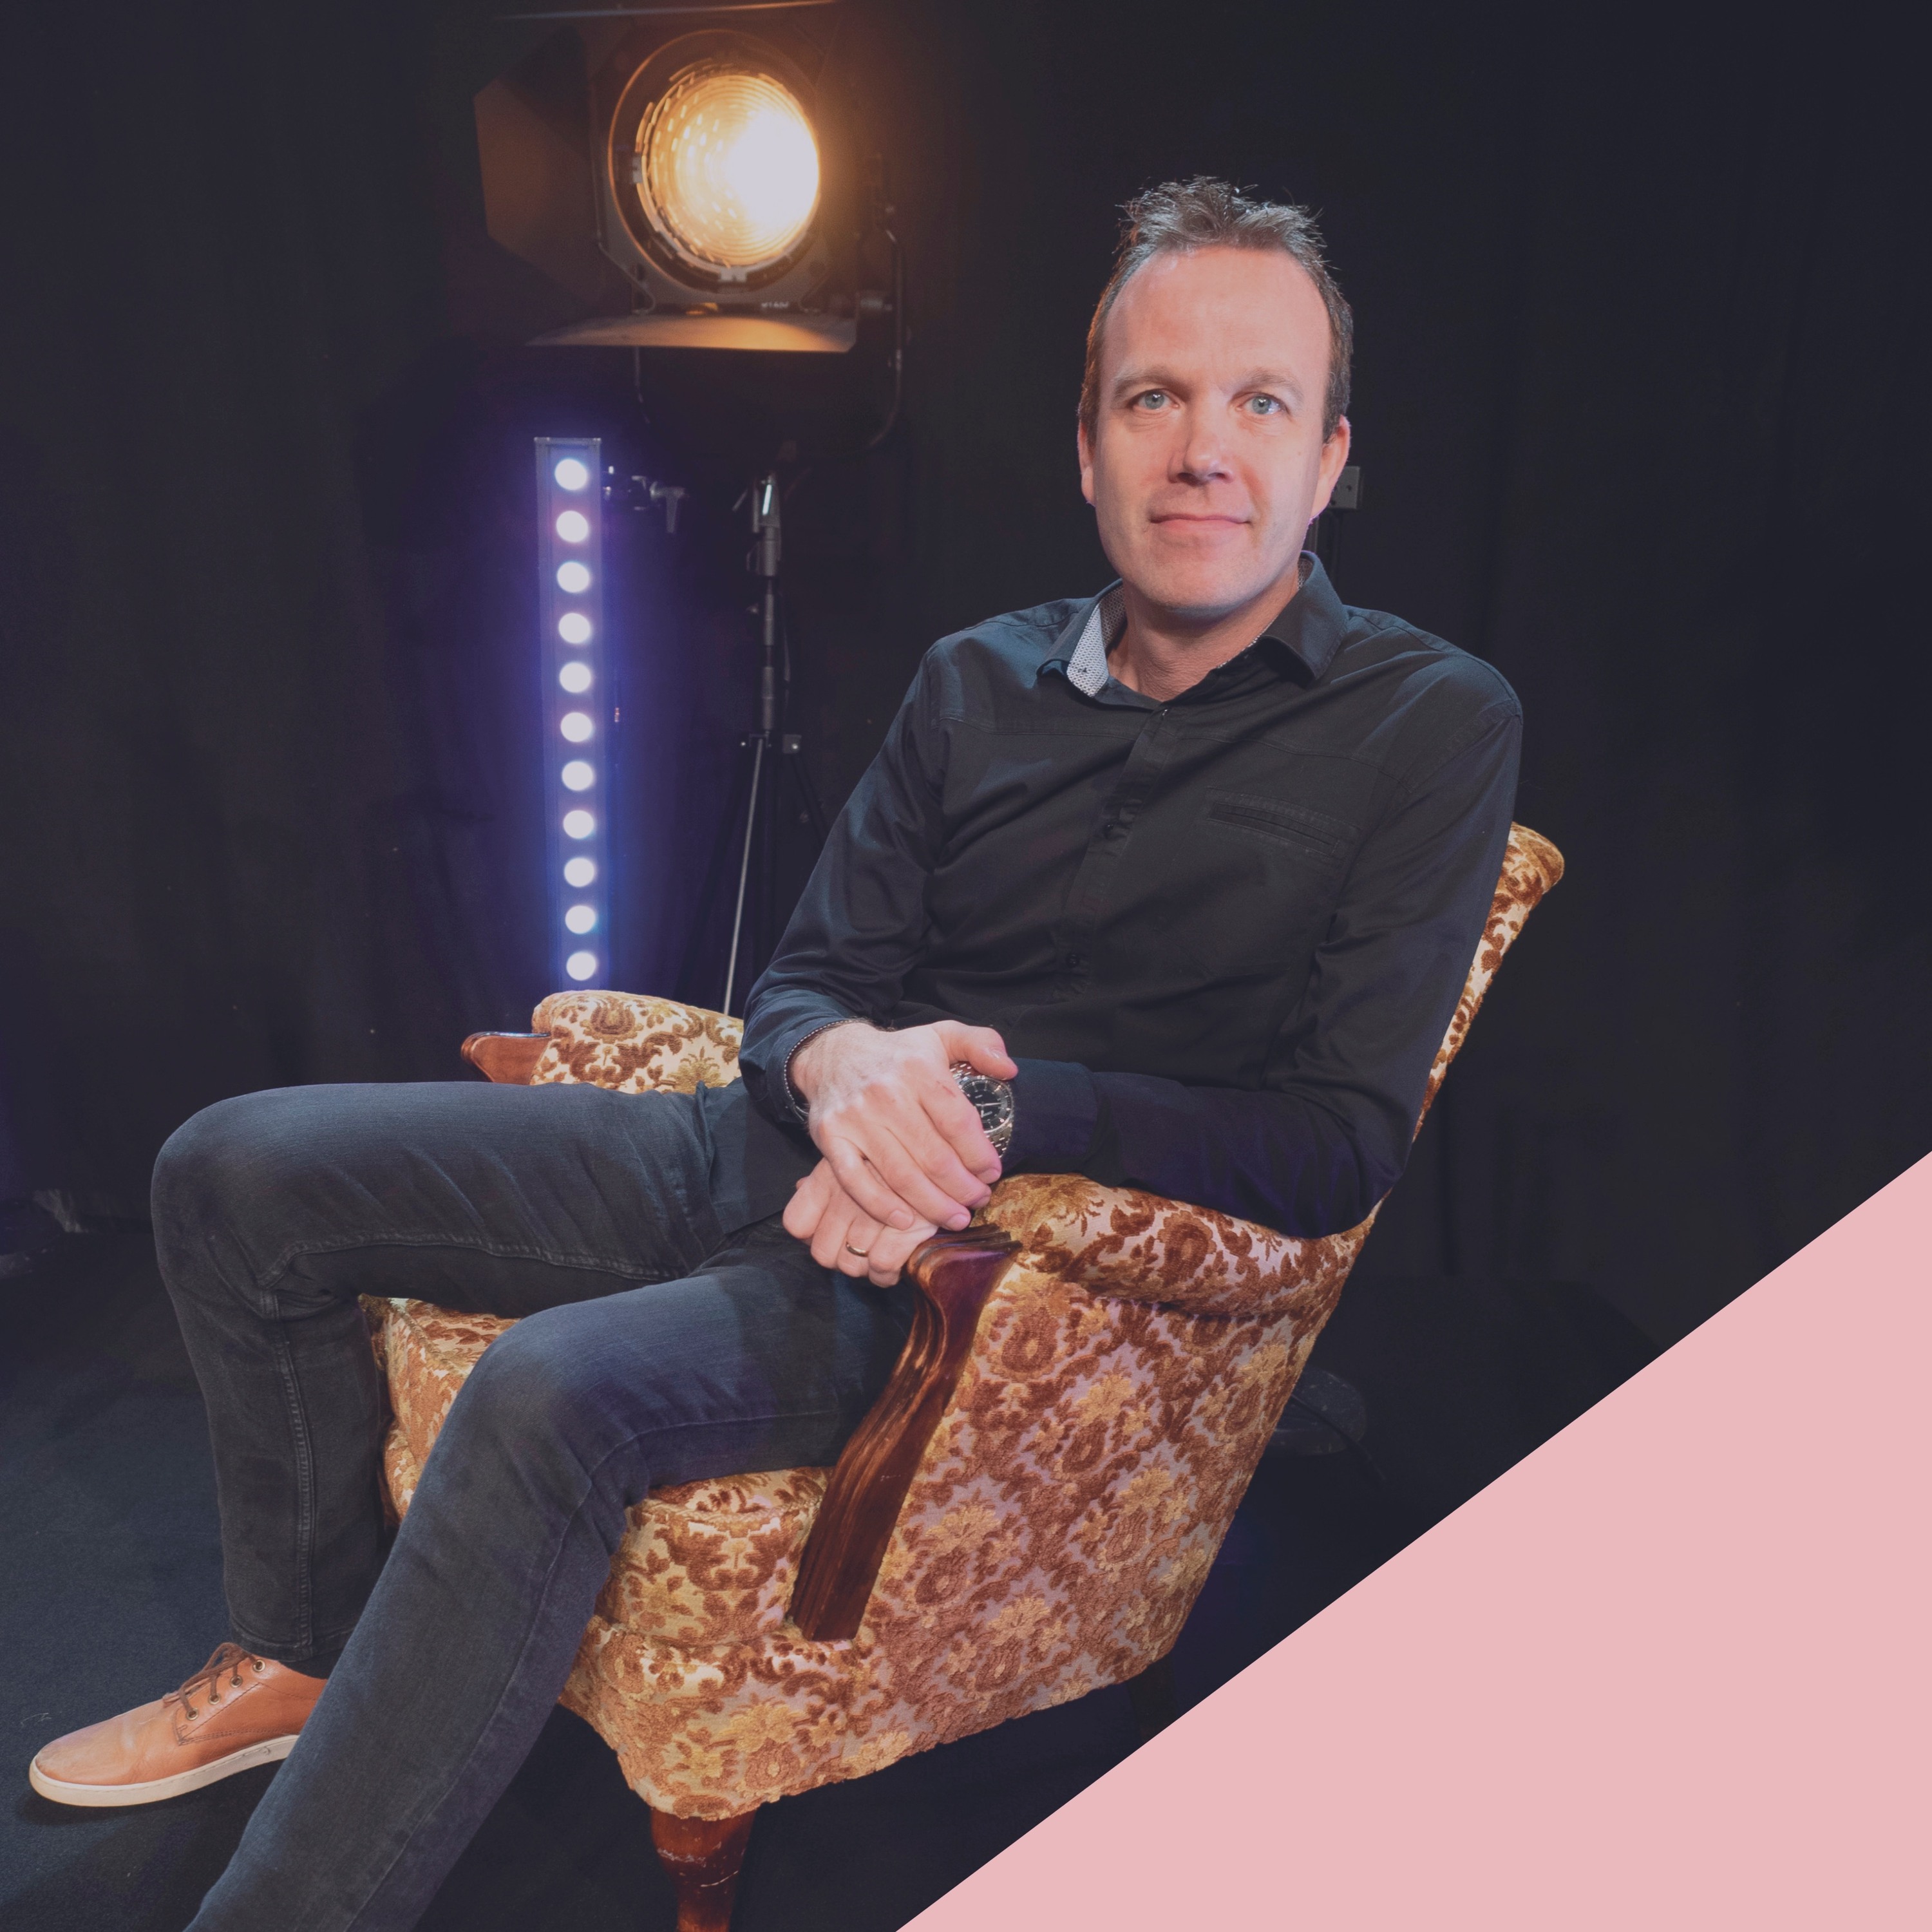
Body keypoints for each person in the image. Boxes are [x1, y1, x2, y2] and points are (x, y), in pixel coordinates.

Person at [28, 176, 1520, 1927]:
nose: (1204, 449)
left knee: (545, 1394)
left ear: (1329, 460)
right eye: (1154, 398)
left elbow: (1337, 1142)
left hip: (961, 1278)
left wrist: (984, 1116)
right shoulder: (975, 681)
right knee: (231, 1169)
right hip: (749, 1151)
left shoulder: (1431, 724)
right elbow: (808, 982)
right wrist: (835, 1070)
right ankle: (304, 1654)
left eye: (1260, 402)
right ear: (1087, 448)